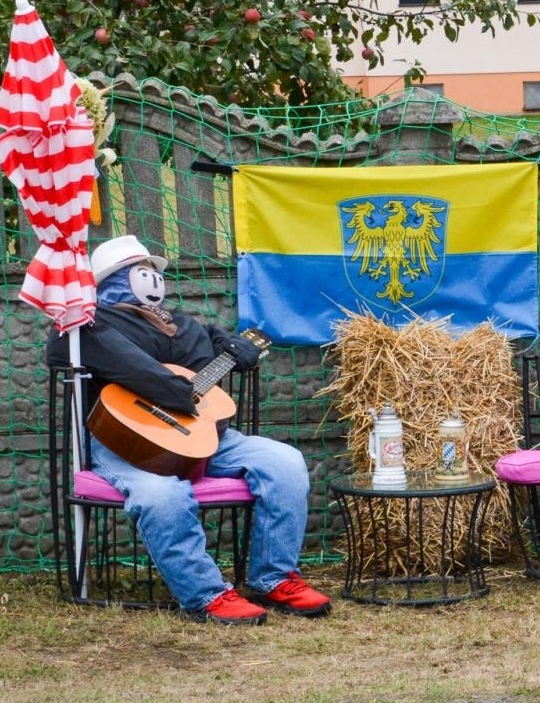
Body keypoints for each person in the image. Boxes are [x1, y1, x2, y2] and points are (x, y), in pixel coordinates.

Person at [47, 234, 331, 625]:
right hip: (125, 444)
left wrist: (229, 346)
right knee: (161, 495)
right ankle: (206, 595)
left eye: (152, 270)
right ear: (112, 279)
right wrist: (175, 392)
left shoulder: (178, 324)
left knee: (285, 462)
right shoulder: (85, 326)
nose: (151, 278)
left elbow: (206, 350)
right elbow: (90, 357)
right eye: (137, 271)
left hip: (205, 437)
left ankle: (275, 577)